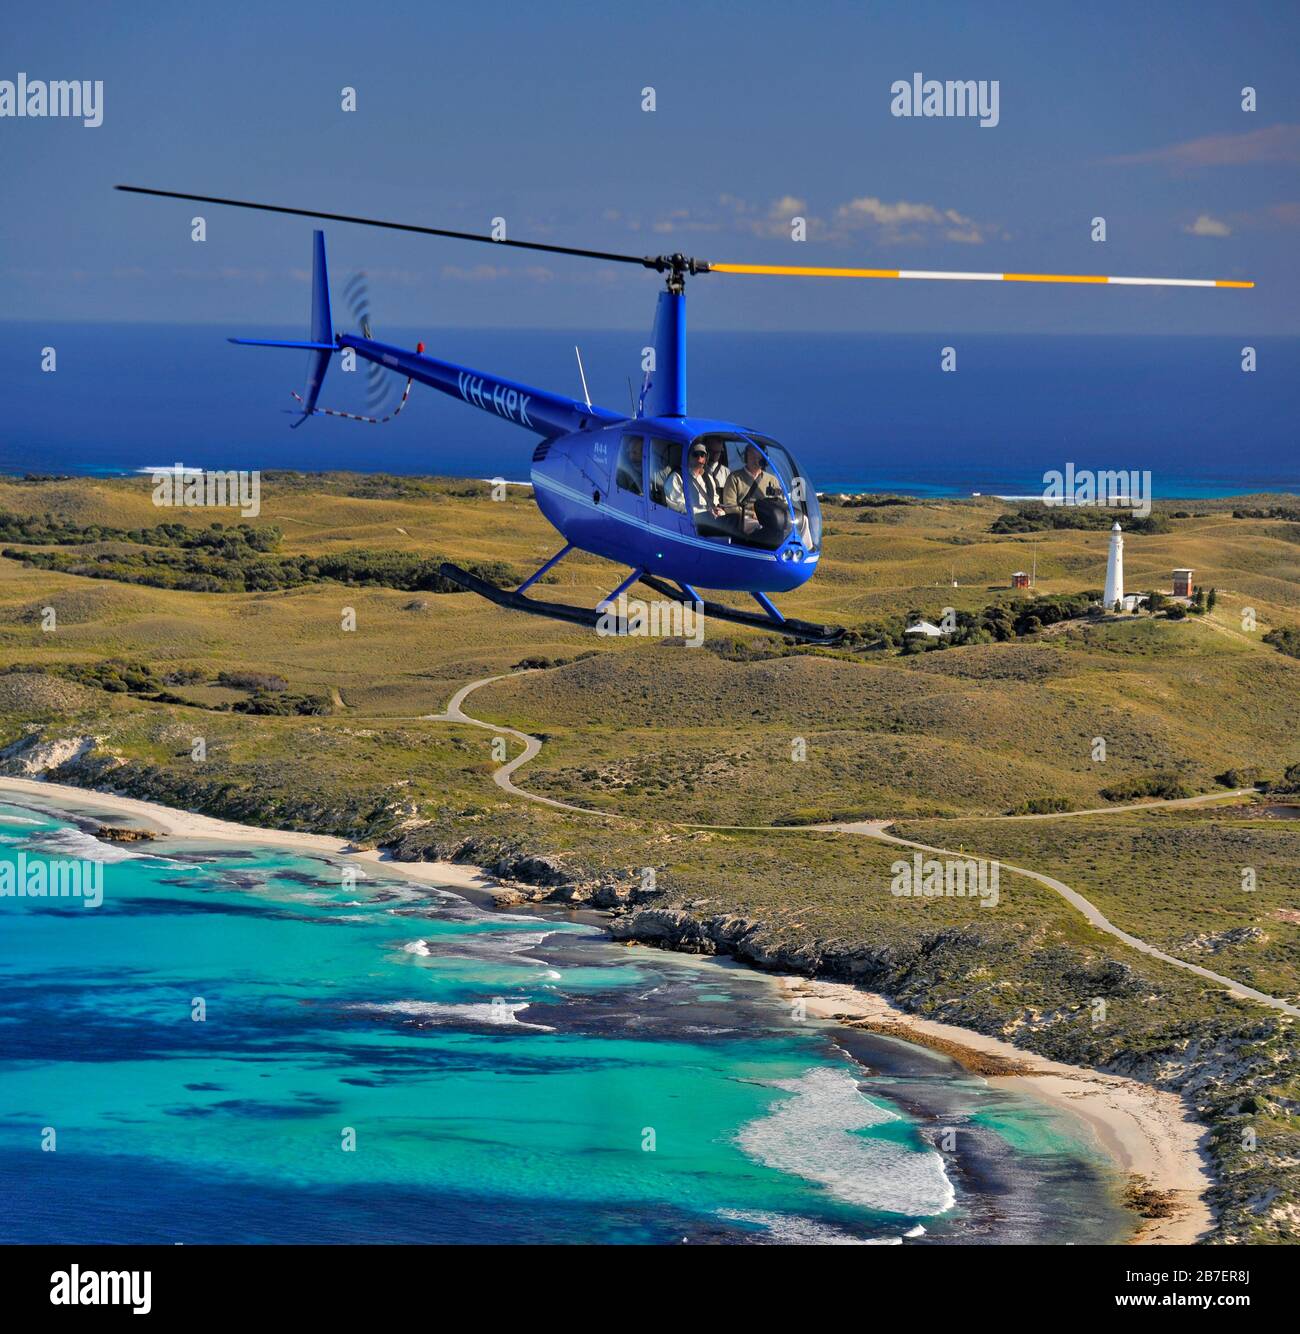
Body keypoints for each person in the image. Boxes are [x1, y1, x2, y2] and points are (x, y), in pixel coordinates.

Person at [721, 443, 784, 535]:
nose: (756, 461)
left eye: (759, 458)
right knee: (758, 526)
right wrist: (749, 513)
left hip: (769, 517)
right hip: (745, 518)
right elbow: (729, 506)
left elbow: (780, 502)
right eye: (753, 457)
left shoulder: (772, 479)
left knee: (802, 521)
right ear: (746, 458)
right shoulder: (734, 477)